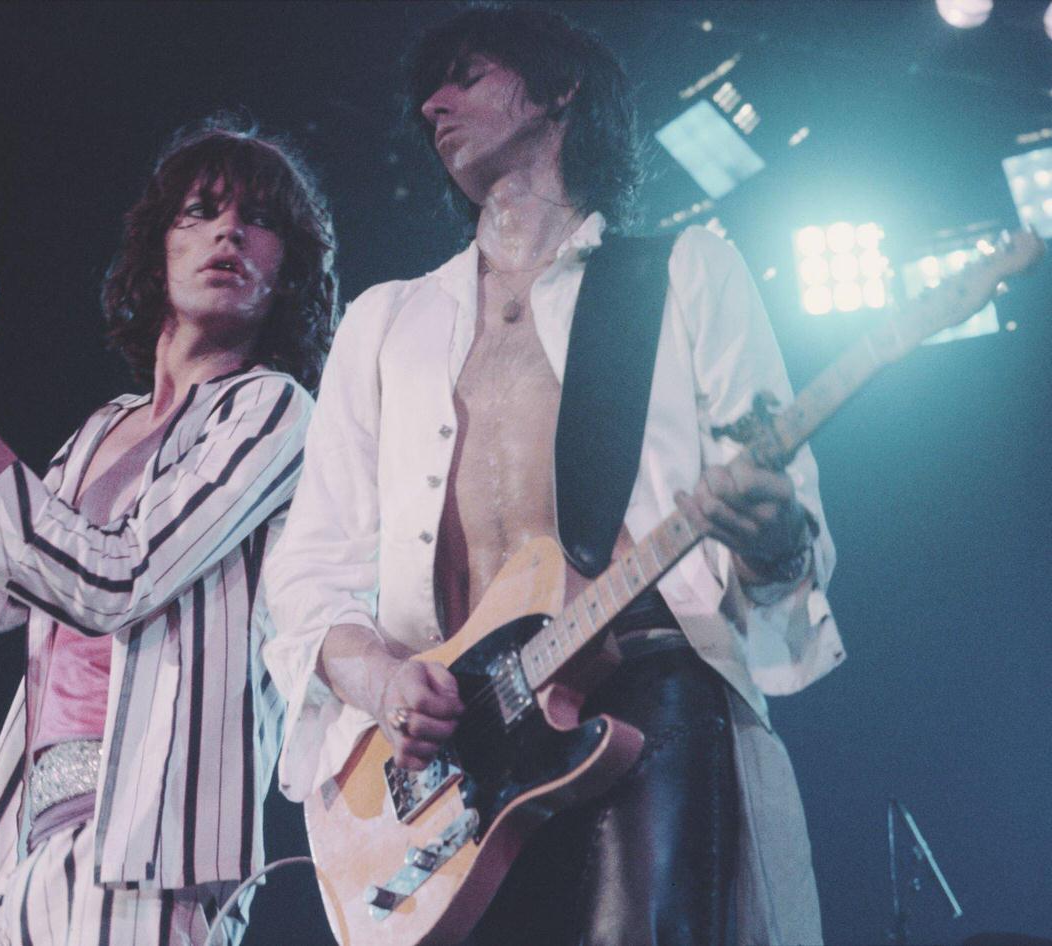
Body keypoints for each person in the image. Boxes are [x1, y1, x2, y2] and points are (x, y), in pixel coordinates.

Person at [263, 6, 841, 945]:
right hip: (458, 756)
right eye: (429, 87)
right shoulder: (385, 322)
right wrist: (380, 683)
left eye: (468, 74)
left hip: (648, 694)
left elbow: (787, 540)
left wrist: (772, 534)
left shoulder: (687, 274)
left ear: (560, 89)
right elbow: (305, 568)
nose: (432, 103)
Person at [0, 118, 335, 946]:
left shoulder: (271, 410)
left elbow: (116, 580)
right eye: (200, 211)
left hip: (158, 856)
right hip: (37, 842)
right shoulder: (100, 430)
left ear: (287, 265)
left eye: (257, 219)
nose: (228, 231)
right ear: (158, 250)